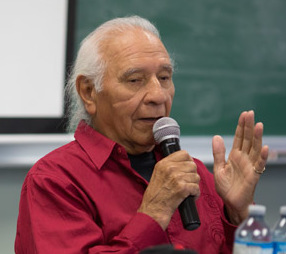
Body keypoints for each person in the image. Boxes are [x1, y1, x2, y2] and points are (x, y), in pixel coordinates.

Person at [15, 16, 268, 254]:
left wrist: (238, 215)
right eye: (135, 80)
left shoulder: (194, 172)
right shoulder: (54, 181)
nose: (158, 96)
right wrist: (154, 212)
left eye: (164, 77)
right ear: (89, 91)